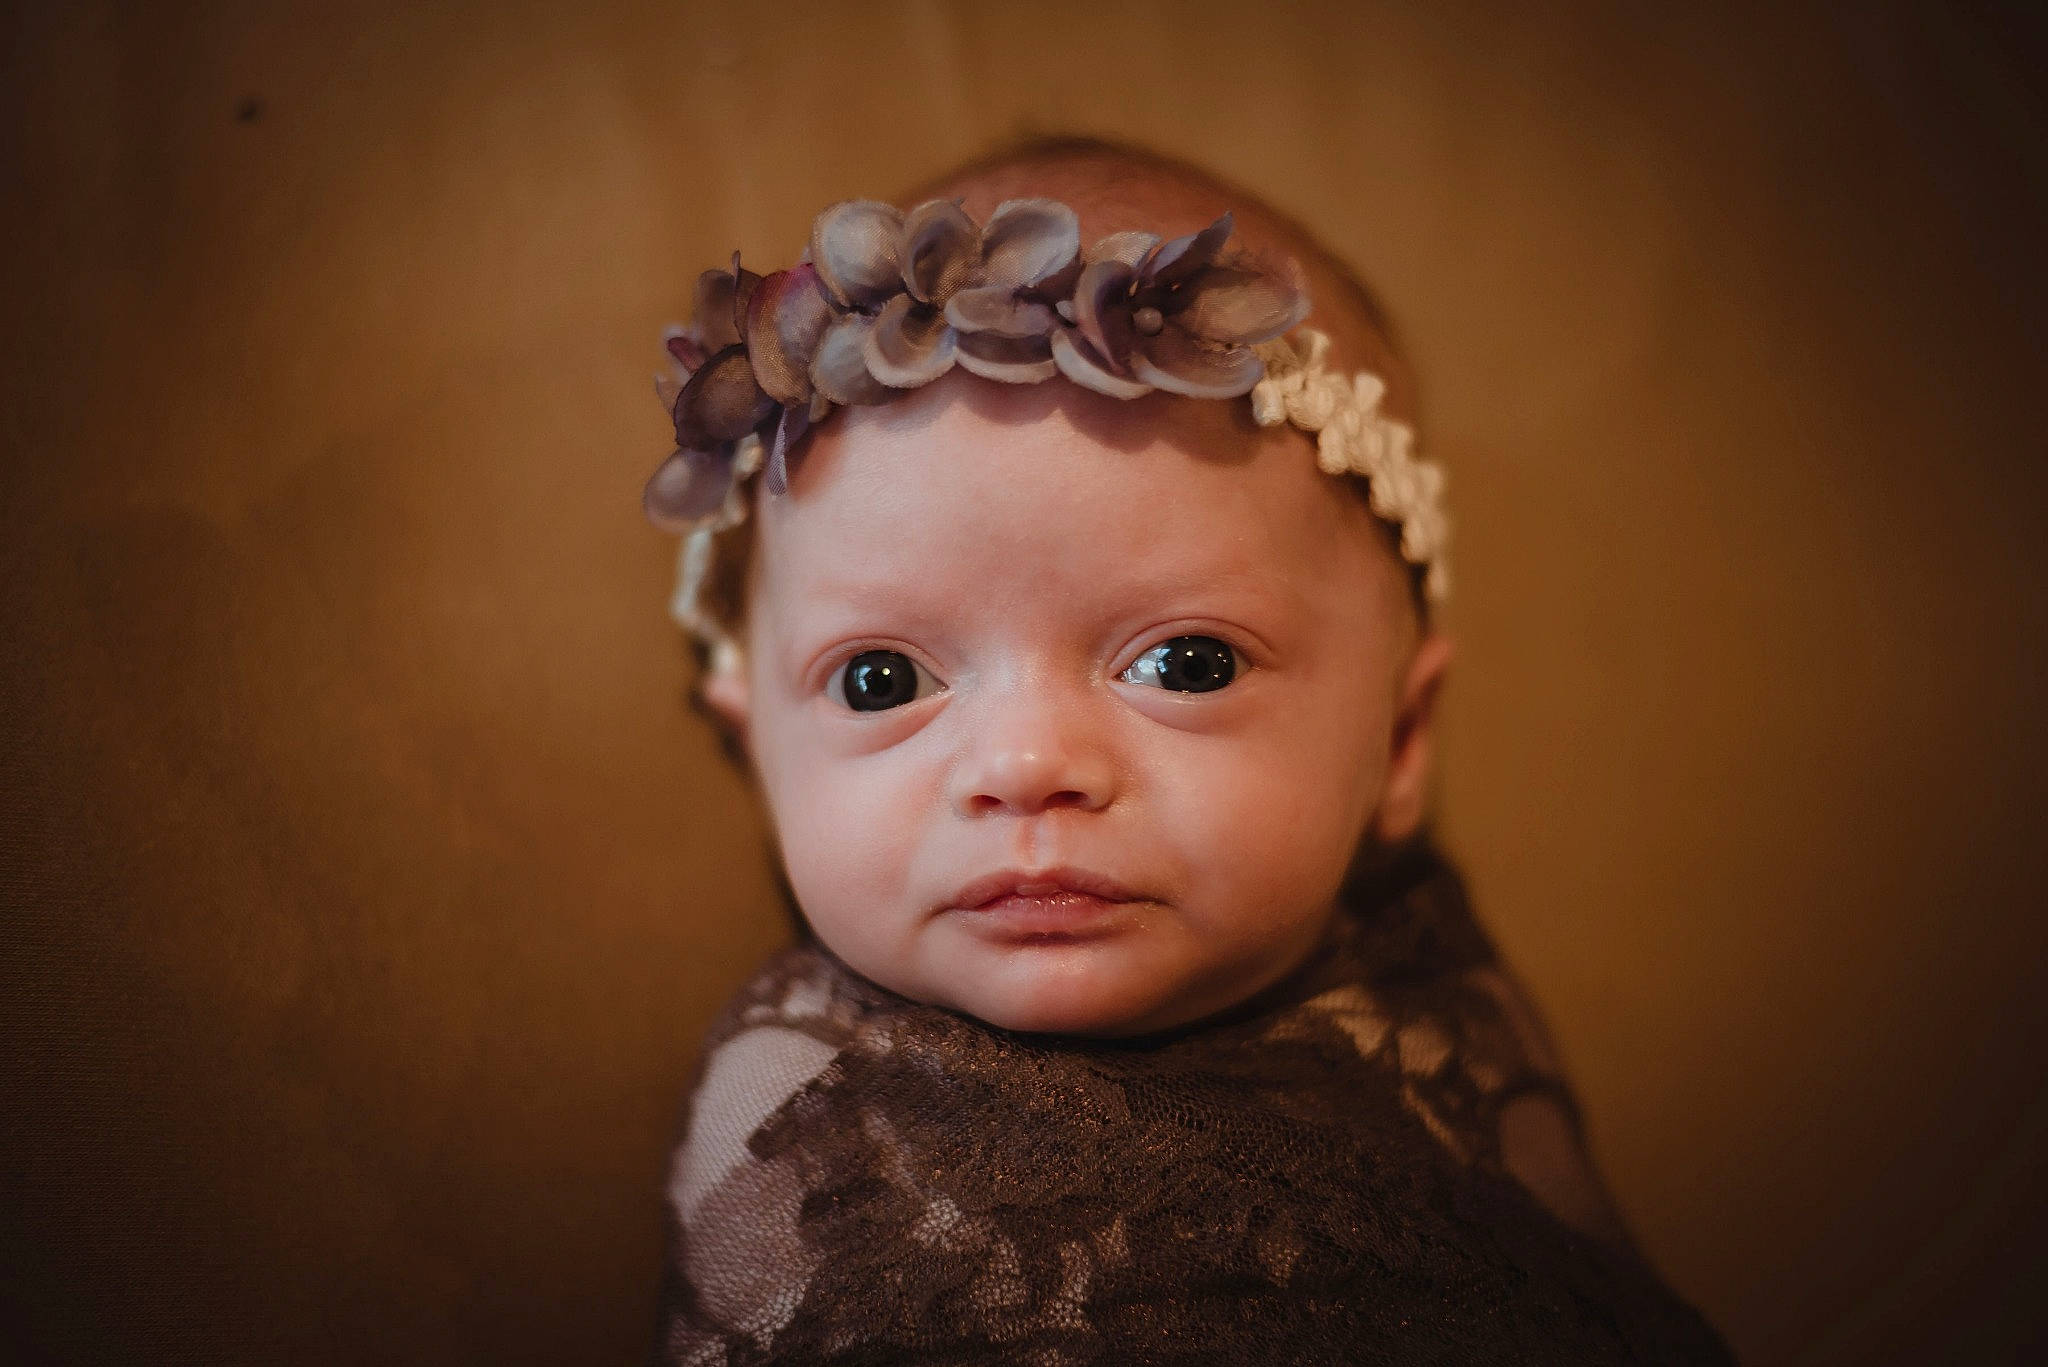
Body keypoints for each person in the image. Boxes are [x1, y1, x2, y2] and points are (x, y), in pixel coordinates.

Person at [643, 137, 1732, 1364]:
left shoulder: (1442, 1016)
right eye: (882, 679)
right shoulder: (791, 1107)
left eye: (1186, 664)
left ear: (1402, 738)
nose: (1027, 764)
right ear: (758, 747)